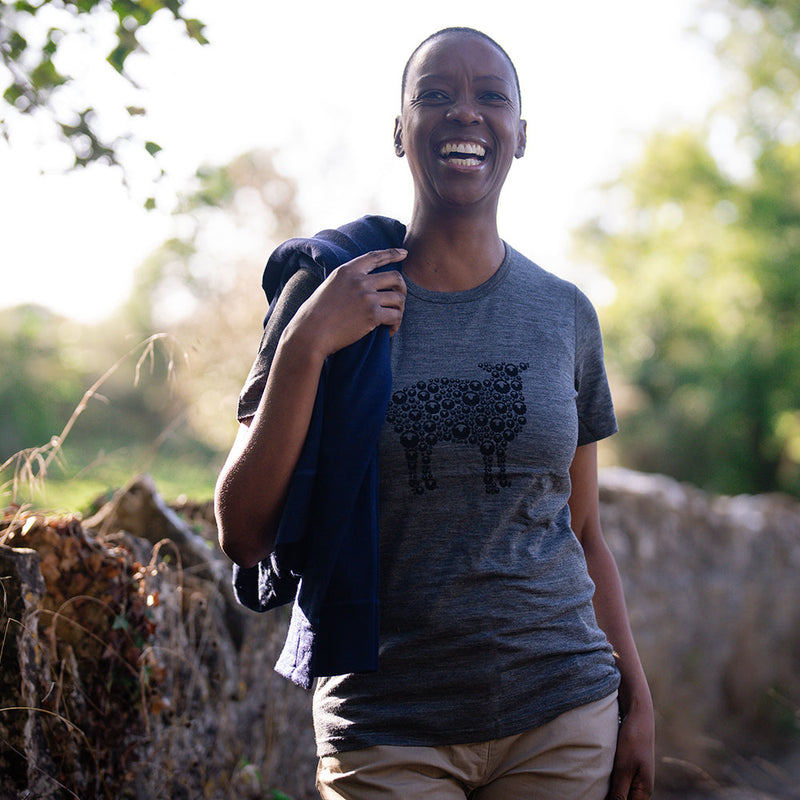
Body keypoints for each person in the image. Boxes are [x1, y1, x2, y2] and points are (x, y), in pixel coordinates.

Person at [215, 26, 655, 800]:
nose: (465, 114)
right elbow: (243, 532)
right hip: (386, 727)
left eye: (492, 97)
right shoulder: (324, 294)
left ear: (521, 136)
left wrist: (637, 695)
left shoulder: (565, 313)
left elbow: (583, 531)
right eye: (435, 95)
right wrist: (309, 344)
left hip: (562, 710)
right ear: (399, 131)